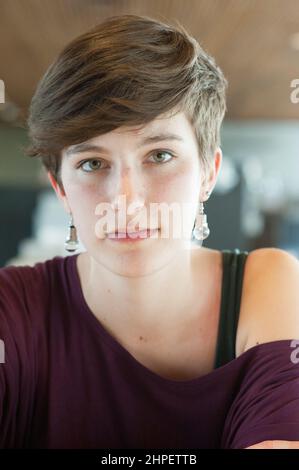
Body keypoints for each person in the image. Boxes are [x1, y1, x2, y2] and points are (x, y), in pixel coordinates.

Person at [1, 14, 299, 449]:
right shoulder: (13, 309)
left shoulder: (268, 287)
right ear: (61, 189)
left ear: (207, 174)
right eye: (92, 163)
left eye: (159, 155)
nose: (127, 200)